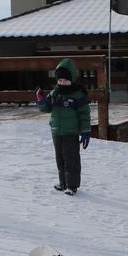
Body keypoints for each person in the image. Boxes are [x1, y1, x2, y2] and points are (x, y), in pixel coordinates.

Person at [35, 58, 91, 195]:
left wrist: (85, 131)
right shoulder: (55, 93)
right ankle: (63, 183)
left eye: (65, 80)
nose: (62, 83)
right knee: (60, 159)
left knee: (71, 159)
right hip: (56, 131)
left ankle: (72, 186)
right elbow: (46, 108)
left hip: (70, 132)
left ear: (72, 79)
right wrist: (41, 100)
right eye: (60, 81)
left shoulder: (78, 95)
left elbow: (85, 114)